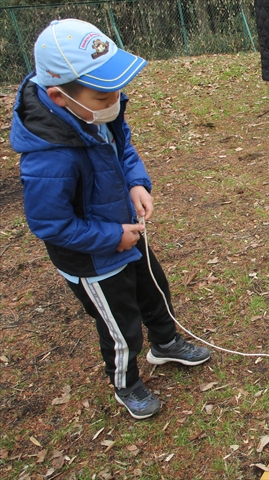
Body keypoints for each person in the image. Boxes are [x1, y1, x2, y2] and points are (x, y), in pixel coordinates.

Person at [10, 19, 211, 419]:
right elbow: (50, 224)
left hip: (126, 235)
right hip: (94, 257)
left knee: (154, 292)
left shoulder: (100, 113)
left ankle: (165, 343)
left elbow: (123, 149)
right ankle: (127, 383)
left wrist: (137, 183)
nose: (115, 99)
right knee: (121, 324)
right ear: (59, 96)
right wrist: (110, 237)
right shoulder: (49, 157)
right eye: (104, 94)